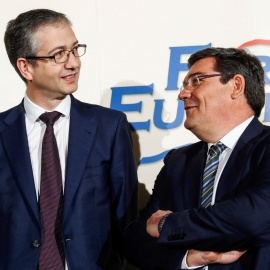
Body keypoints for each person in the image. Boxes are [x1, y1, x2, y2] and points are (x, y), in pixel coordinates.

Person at [1, 9, 138, 270]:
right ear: (26, 67)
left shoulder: (109, 126)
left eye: (75, 50)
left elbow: (125, 218)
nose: (73, 63)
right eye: (59, 54)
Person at [124, 47, 270, 270]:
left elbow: (256, 216)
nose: (183, 94)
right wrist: (189, 259)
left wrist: (167, 224)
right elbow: (135, 240)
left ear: (236, 86)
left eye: (196, 81)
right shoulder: (178, 161)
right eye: (184, 84)